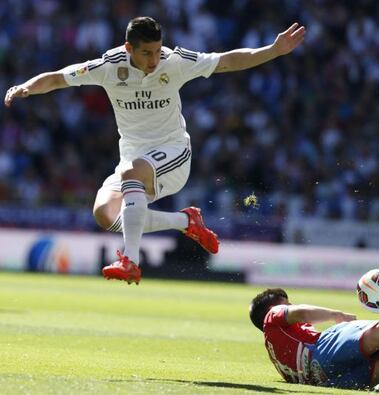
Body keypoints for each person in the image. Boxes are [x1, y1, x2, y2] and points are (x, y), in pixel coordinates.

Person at [4, 17, 305, 285]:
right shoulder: (110, 67)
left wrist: (273, 50)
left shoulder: (175, 62)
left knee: (134, 171)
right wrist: (26, 87)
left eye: (157, 51)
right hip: (132, 160)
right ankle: (185, 221)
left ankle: (130, 261)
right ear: (128, 48)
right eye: (146, 52)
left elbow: (226, 61)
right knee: (104, 213)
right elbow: (58, 77)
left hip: (173, 153)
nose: (154, 59)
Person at [249, 288, 379, 393]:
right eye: (288, 303)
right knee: (378, 332)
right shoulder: (272, 316)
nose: (291, 305)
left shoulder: (275, 355)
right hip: (320, 351)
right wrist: (337, 315)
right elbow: (300, 313)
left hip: (328, 380)